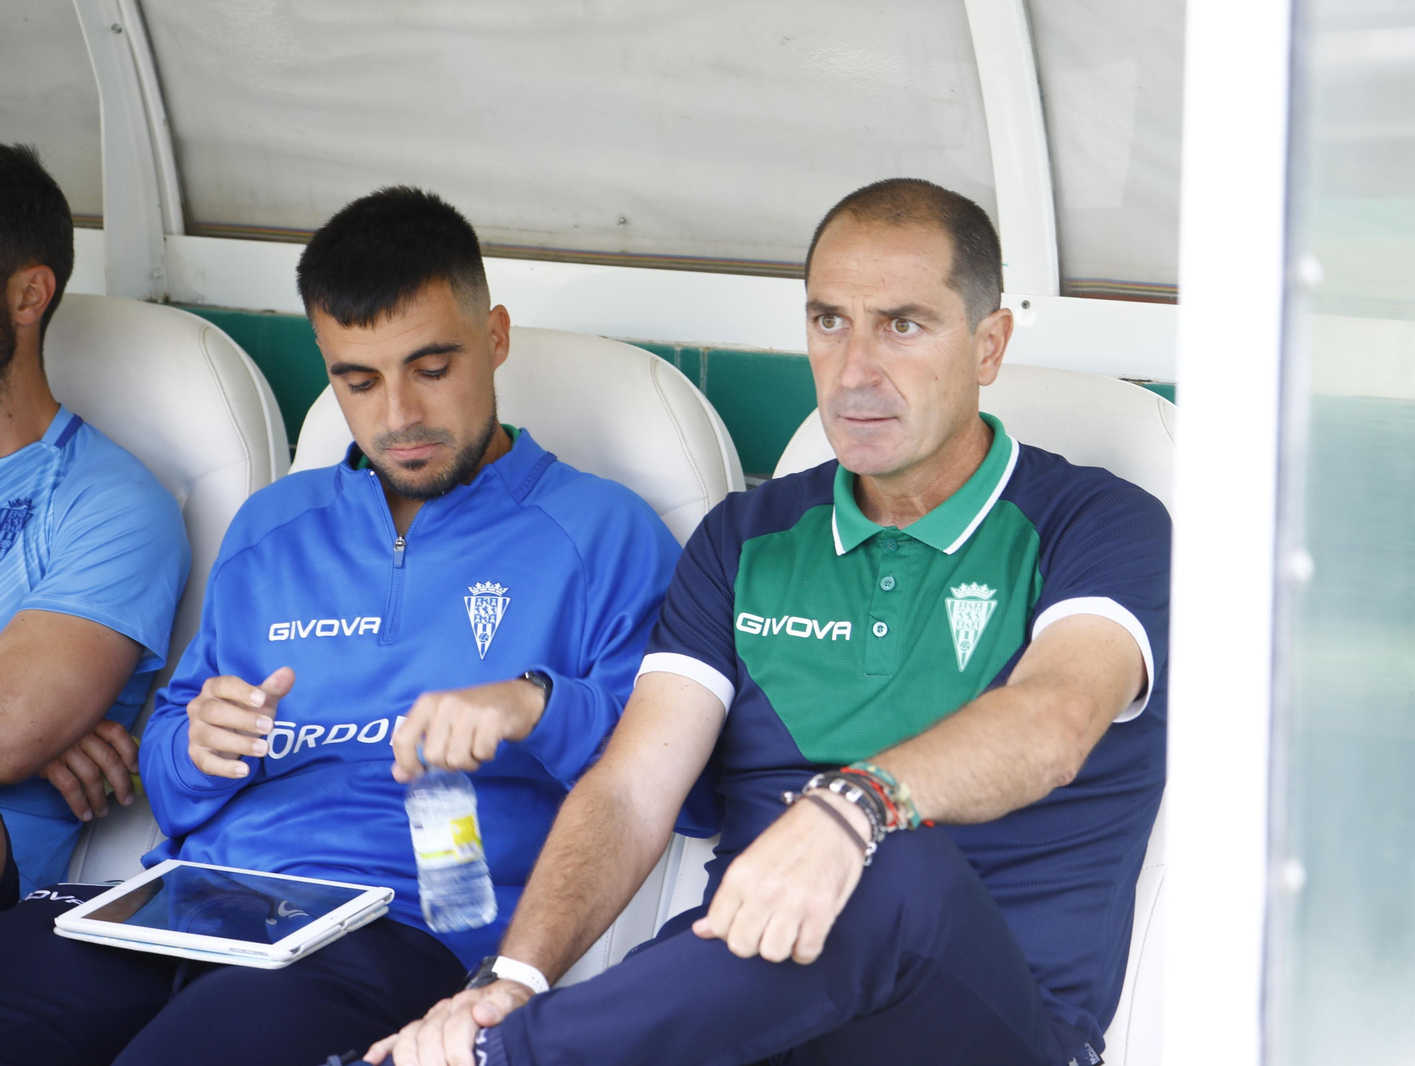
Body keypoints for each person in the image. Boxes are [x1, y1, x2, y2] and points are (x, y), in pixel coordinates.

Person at [371, 177, 1171, 1066]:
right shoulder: (746, 538)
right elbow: (634, 790)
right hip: (754, 1014)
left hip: (981, 1026)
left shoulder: (1099, 523)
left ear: (989, 346)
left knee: (891, 860)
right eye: (830, 322)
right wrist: (510, 981)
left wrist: (854, 806)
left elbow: (1056, 721)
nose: (857, 369)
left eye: (903, 325)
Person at [0, 186, 694, 1066]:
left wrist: (533, 705)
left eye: (431, 368)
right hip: (188, 903)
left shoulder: (601, 532)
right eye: (357, 381)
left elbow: (668, 781)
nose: (397, 416)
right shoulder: (272, 527)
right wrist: (199, 744)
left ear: (496, 338)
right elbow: (170, 785)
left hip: (398, 924)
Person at [0, 144, 189, 907]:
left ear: (28, 295)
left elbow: (10, 723)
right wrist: (42, 735)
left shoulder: (109, 501)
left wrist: (28, 738)